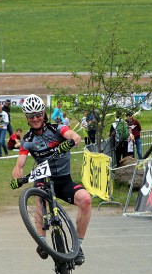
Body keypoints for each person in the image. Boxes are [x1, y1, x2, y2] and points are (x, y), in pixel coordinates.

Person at [10, 94, 91, 265]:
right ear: (27, 118)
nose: (35, 118)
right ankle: (42, 241)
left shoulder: (57, 129)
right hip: (43, 180)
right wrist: (17, 175)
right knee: (39, 197)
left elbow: (74, 136)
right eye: (31, 116)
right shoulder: (27, 140)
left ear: (44, 113)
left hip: (63, 181)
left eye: (38, 114)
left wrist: (71, 141)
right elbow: (20, 164)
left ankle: (78, 246)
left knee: (85, 200)